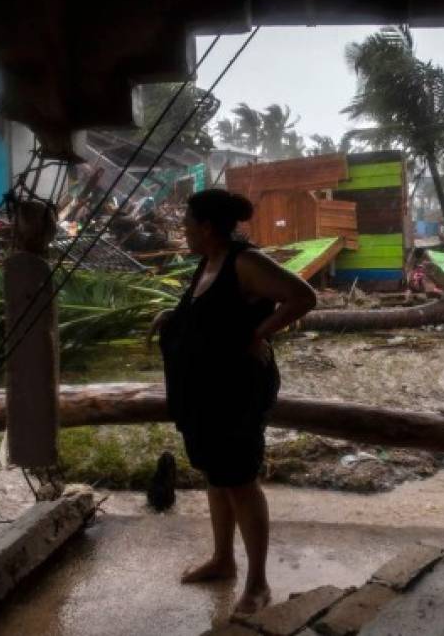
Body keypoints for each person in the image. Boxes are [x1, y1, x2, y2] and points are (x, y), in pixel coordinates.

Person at [148, 189, 317, 615]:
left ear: (206, 227)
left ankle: (258, 584)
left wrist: (259, 333)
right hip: (203, 392)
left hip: (236, 391)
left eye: (187, 223)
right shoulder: (208, 262)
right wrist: (172, 318)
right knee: (215, 474)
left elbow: (303, 297)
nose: (183, 230)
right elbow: (211, 315)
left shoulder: (245, 262)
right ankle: (223, 559)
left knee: (240, 481)